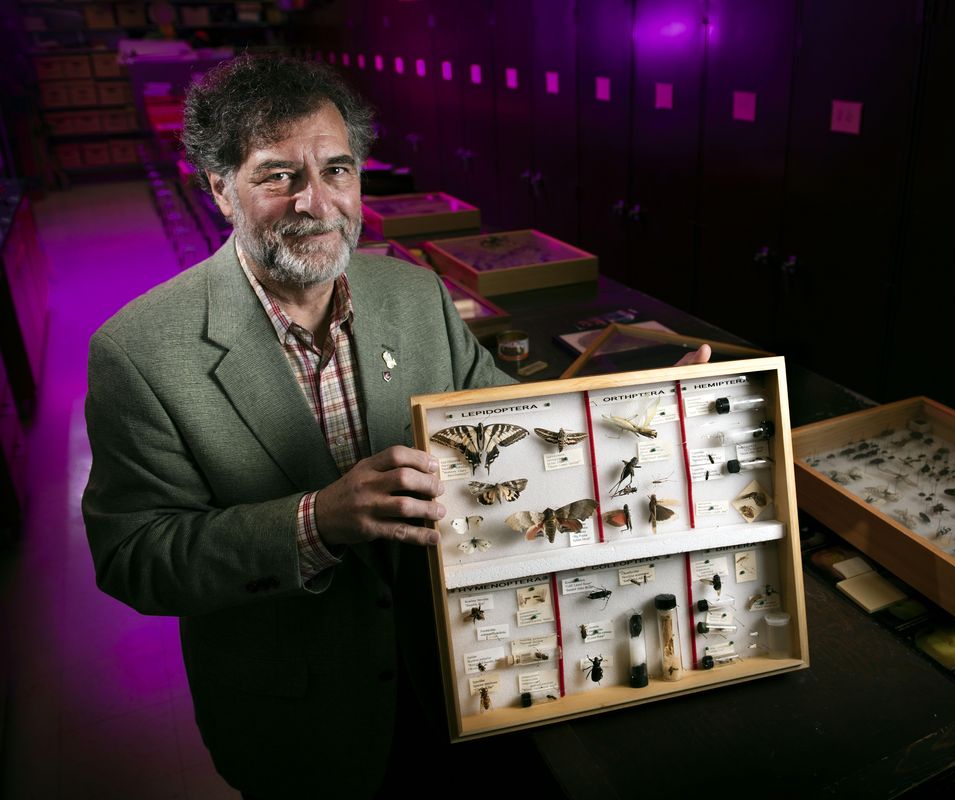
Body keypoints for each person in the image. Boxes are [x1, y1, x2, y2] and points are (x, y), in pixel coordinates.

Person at [82, 54, 711, 797]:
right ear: (220, 188)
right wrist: (316, 522)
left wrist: (627, 417)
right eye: (278, 176)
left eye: (337, 170)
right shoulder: (139, 351)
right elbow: (134, 556)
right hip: (307, 722)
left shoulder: (414, 293)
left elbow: (503, 421)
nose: (316, 203)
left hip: (460, 675)